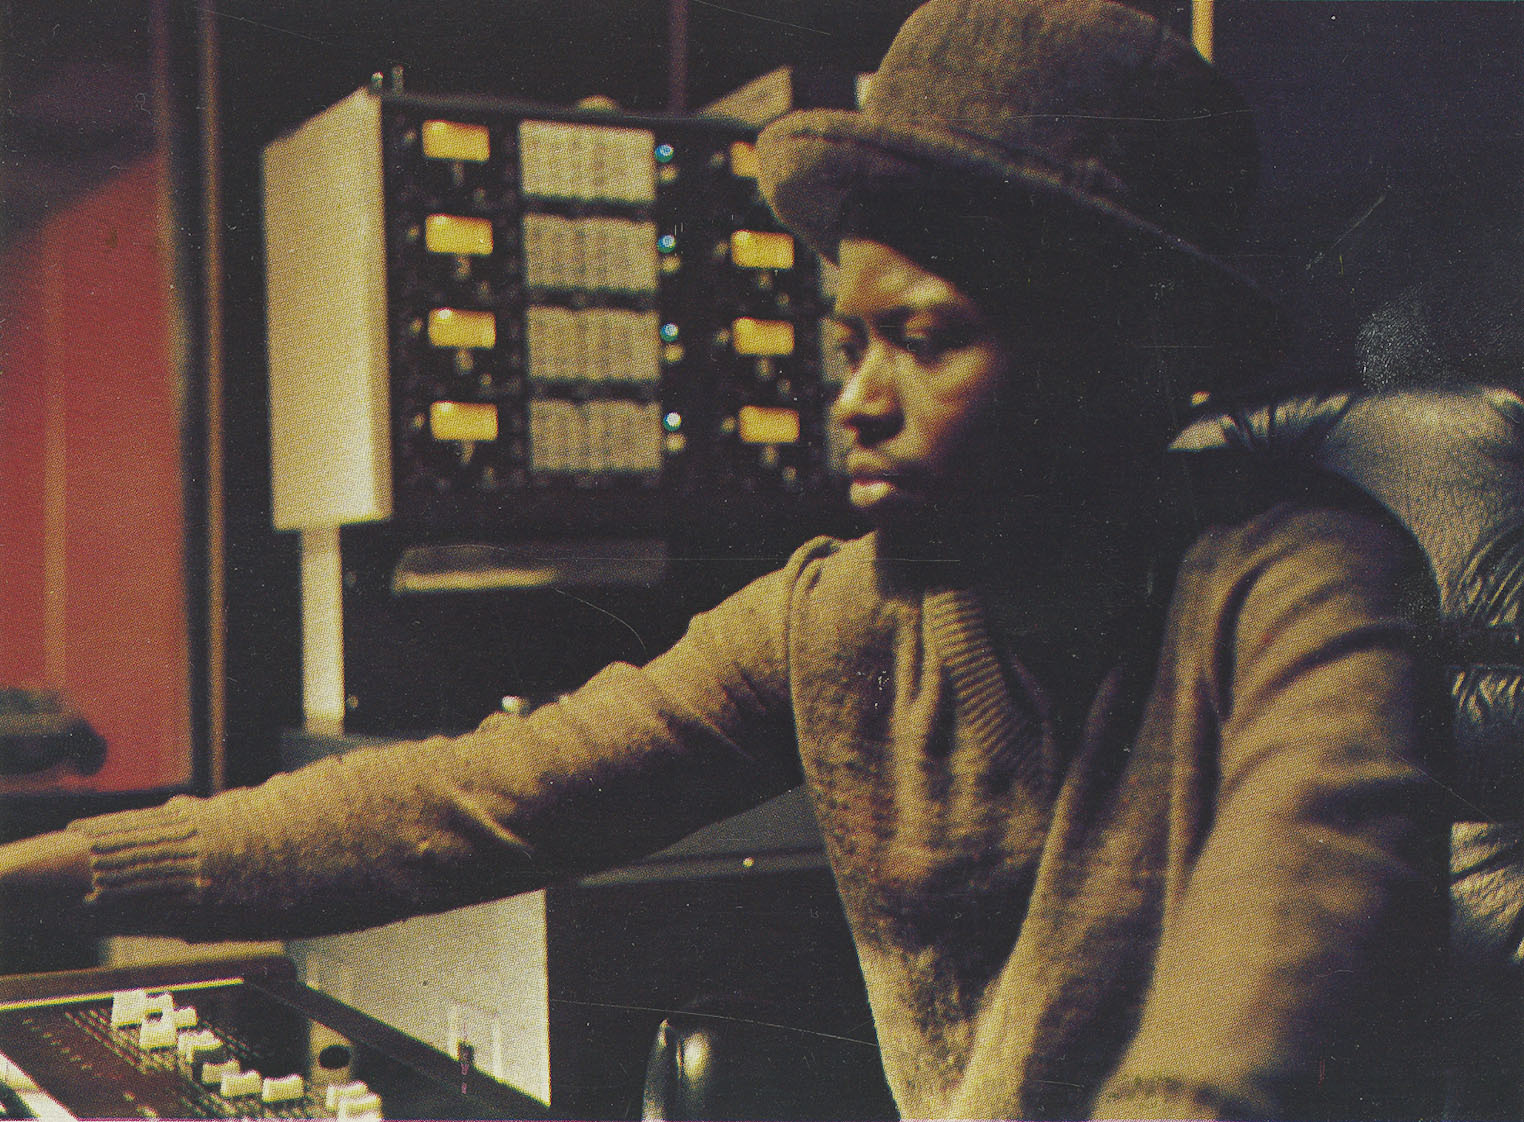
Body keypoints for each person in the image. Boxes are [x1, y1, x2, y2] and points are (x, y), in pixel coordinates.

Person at [0, 0, 1453, 1117]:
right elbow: (466, 799)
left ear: (1128, 357)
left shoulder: (1304, 588)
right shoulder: (840, 619)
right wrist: (44, 876)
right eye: (848, 339)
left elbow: (1248, 1018)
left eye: (927, 338)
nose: (856, 399)